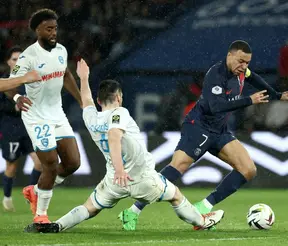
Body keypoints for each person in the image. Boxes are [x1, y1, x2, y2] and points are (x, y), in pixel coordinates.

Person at [23, 59, 224, 233]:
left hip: (113, 181)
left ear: (99, 101)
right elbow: (113, 136)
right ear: (119, 97)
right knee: (176, 196)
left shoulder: (91, 117)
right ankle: (201, 221)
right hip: (139, 176)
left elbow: (85, 101)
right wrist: (121, 169)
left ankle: (57, 225)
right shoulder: (121, 113)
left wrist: (84, 78)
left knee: (90, 208)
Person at [119, 40, 288, 230]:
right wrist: (249, 100)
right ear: (229, 56)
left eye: (247, 63)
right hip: (199, 127)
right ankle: (132, 211)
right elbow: (215, 106)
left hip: (220, 130)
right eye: (240, 61)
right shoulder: (216, 74)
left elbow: (254, 78)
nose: (244, 67)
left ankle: (203, 207)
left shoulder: (242, 72)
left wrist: (277, 95)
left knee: (248, 169)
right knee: (175, 168)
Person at [8, 9, 82, 225]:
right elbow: (10, 83)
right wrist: (16, 99)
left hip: (56, 113)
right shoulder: (28, 57)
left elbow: (66, 73)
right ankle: (41, 215)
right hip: (36, 116)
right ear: (37, 30)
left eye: (55, 28)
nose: (53, 33)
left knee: (73, 163)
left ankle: (36, 190)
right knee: (49, 164)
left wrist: (80, 100)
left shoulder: (61, 50)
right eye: (49, 29)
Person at [1, 46, 42, 212]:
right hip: (10, 129)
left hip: (28, 128)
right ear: (8, 62)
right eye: (14, 59)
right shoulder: (3, 82)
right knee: (12, 165)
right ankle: (7, 197)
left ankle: (31, 193)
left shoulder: (28, 81)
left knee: (39, 162)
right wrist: (15, 109)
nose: (18, 62)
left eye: (20, 59)